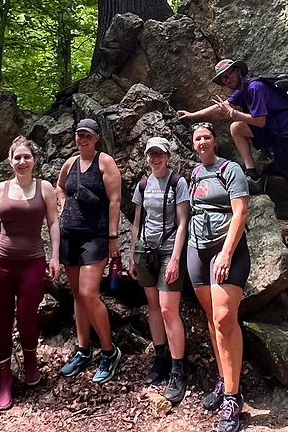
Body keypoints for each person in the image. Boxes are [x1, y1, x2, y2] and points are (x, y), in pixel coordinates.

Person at [177, 58, 288, 260]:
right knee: (236, 128)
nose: (227, 79)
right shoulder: (243, 90)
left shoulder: (255, 87)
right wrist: (193, 115)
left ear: (238, 71)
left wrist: (233, 113)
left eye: (229, 74)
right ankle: (253, 174)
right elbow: (220, 107)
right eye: (223, 78)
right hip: (274, 131)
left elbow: (259, 120)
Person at [0, 136, 61, 410]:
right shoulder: (1, 189)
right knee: (2, 321)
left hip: (32, 263)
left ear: (34, 160)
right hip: (1, 264)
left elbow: (54, 223)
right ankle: (4, 379)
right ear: (10, 161)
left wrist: (55, 256)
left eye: (26, 157)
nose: (22, 162)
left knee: (26, 318)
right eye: (17, 157)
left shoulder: (45, 188)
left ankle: (30, 361)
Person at [186, 122, 250, 432]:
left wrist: (225, 253)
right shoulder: (195, 174)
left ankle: (233, 397)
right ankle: (225, 379)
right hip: (197, 251)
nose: (202, 142)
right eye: (197, 138)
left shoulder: (230, 169)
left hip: (228, 250)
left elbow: (240, 212)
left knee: (225, 318)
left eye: (207, 137)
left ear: (215, 141)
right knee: (212, 319)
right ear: (194, 144)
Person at [55, 118, 124, 383]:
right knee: (77, 295)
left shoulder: (105, 162)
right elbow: (60, 186)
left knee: (88, 293)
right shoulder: (70, 164)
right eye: (79, 135)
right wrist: (63, 204)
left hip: (95, 237)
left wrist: (113, 237)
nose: (82, 139)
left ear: (96, 138)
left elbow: (115, 200)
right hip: (69, 236)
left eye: (87, 135)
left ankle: (109, 351)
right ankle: (83, 349)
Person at [128, 136, 190, 405]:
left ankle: (178, 369)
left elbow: (183, 221)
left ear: (168, 156)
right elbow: (136, 221)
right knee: (153, 306)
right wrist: (132, 254)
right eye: (151, 154)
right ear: (146, 156)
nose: (155, 158)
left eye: (160, 154)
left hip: (168, 251)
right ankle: (161, 357)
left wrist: (176, 258)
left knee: (167, 308)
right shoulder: (143, 184)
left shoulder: (178, 182)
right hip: (145, 249)